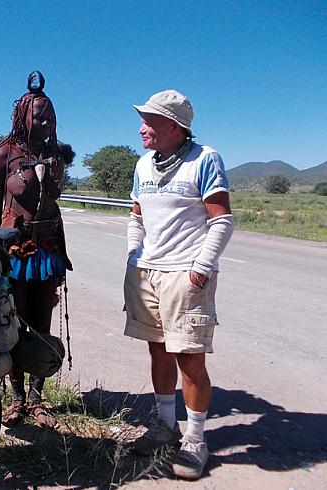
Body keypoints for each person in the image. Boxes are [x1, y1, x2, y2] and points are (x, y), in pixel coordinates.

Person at [124, 90, 233, 479]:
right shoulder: (142, 165)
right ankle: (165, 427)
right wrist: (133, 255)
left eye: (149, 121)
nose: (142, 128)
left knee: (190, 358)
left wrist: (201, 269)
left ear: (174, 126)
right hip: (147, 273)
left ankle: (195, 440)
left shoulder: (204, 159)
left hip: (185, 273)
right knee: (158, 351)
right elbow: (137, 215)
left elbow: (221, 220)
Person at [0, 71, 73, 427]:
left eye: (50, 113)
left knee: (43, 321)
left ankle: (37, 398)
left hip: (48, 250)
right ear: (22, 115)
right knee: (14, 323)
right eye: (39, 113)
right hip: (15, 251)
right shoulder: (3, 155)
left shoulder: (57, 156)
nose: (46, 119)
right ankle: (16, 397)